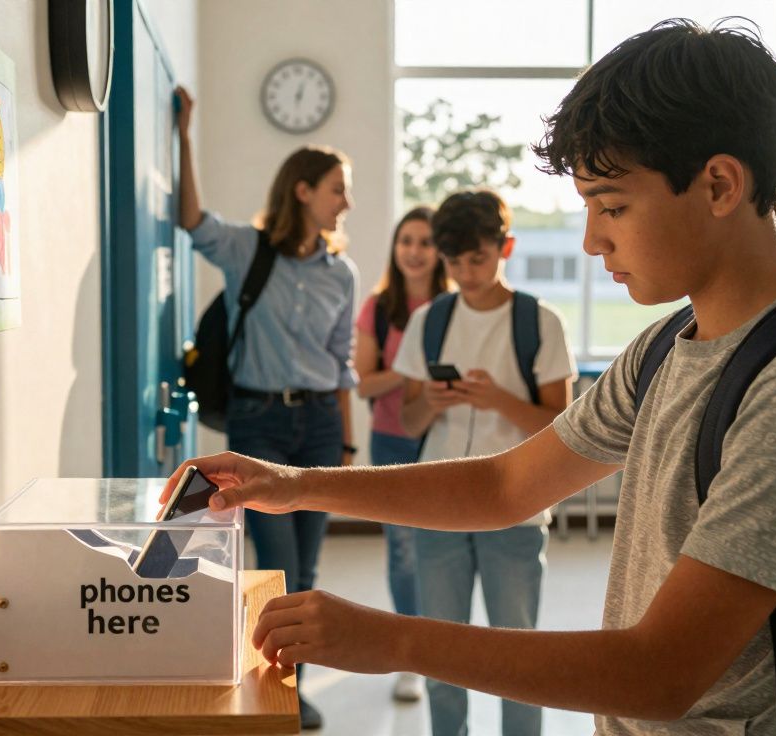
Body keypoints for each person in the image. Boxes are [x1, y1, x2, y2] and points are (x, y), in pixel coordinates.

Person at [164, 20, 776, 736]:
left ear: (718, 185)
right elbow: (506, 486)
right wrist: (289, 485)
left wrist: (391, 640)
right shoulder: (668, 347)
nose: (591, 240)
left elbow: (662, 674)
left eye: (611, 206)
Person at [176, 86, 358, 731]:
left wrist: (347, 442)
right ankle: (269, 678)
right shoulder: (248, 249)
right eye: (338, 188)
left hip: (318, 425)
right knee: (276, 561)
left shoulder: (342, 274)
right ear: (304, 190)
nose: (347, 202)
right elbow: (192, 218)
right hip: (259, 422)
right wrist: (184, 134)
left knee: (306, 566)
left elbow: (342, 364)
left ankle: (290, 685)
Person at [393, 190, 575, 736]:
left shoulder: (539, 322)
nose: (466, 273)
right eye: (454, 262)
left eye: (477, 258)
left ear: (505, 248)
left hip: (516, 509)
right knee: (440, 652)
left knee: (518, 656)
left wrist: (498, 400)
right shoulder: (430, 319)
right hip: (438, 508)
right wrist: (432, 400)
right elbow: (408, 422)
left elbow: (561, 427)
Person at [352, 205, 448, 703]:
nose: (414, 251)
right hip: (392, 440)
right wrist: (412, 372)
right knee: (405, 551)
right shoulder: (379, 306)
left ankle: (445, 652)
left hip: (447, 442)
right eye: (406, 240)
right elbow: (364, 382)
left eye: (425, 242)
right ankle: (411, 657)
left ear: (440, 252)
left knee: (446, 550)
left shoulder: (455, 306)